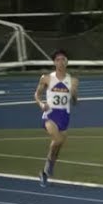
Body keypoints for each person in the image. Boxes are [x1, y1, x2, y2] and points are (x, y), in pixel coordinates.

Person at [34, 49, 79, 187]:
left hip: (64, 116)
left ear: (67, 62)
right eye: (58, 59)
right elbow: (36, 94)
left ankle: (46, 171)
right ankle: (47, 169)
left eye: (63, 59)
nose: (61, 62)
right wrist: (41, 103)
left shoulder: (73, 81)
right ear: (54, 62)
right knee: (57, 140)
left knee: (56, 147)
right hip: (50, 114)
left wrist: (73, 95)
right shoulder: (46, 78)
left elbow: (75, 102)